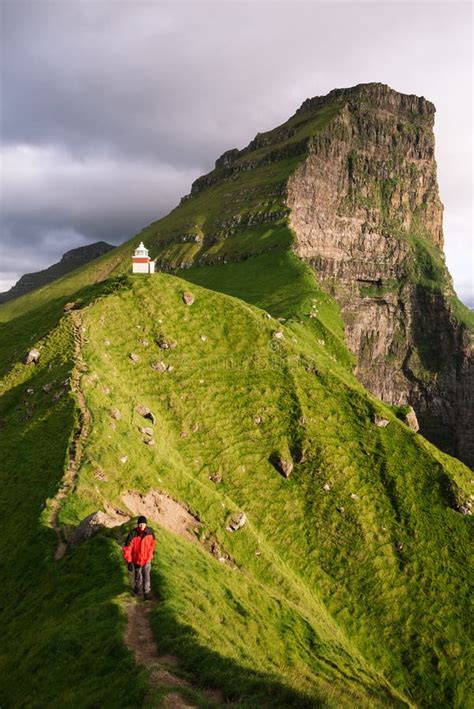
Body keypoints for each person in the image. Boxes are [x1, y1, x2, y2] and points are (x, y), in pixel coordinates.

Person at [122, 515, 156, 600]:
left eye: (143, 524)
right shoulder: (133, 534)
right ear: (137, 524)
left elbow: (152, 545)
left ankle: (146, 592)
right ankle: (137, 588)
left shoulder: (150, 532)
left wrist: (150, 556)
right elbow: (127, 548)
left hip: (146, 559)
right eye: (140, 524)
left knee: (147, 575)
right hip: (136, 560)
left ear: (146, 525)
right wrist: (129, 561)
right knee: (138, 577)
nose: (142, 526)